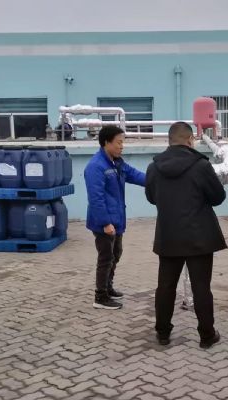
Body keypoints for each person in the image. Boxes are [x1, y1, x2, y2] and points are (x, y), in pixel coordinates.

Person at [145, 122, 225, 349]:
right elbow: (218, 197)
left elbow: (151, 197)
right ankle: (207, 335)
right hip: (199, 236)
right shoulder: (201, 165)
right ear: (190, 140)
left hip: (168, 235)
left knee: (165, 286)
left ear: (169, 141)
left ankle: (162, 333)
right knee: (201, 287)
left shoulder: (154, 167)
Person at [84, 126, 145, 310]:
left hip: (117, 220)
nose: (122, 146)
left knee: (116, 254)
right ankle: (100, 297)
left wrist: (157, 180)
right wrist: (105, 223)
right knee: (106, 257)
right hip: (104, 223)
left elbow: (135, 175)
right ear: (106, 142)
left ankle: (108, 287)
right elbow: (96, 198)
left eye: (122, 142)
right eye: (119, 142)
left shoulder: (117, 163)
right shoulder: (96, 166)